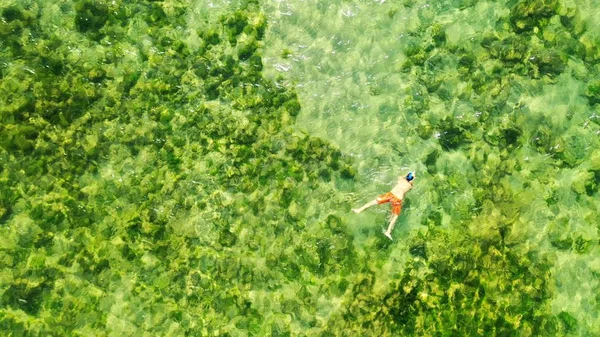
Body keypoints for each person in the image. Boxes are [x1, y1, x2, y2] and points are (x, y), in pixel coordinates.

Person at [352, 172, 415, 240]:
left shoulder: (400, 178)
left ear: (407, 176)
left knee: (373, 202)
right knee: (395, 217)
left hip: (390, 195)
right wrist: (412, 180)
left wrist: (407, 175)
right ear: (411, 179)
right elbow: (407, 188)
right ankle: (388, 232)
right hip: (397, 200)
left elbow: (402, 177)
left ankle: (359, 210)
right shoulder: (410, 186)